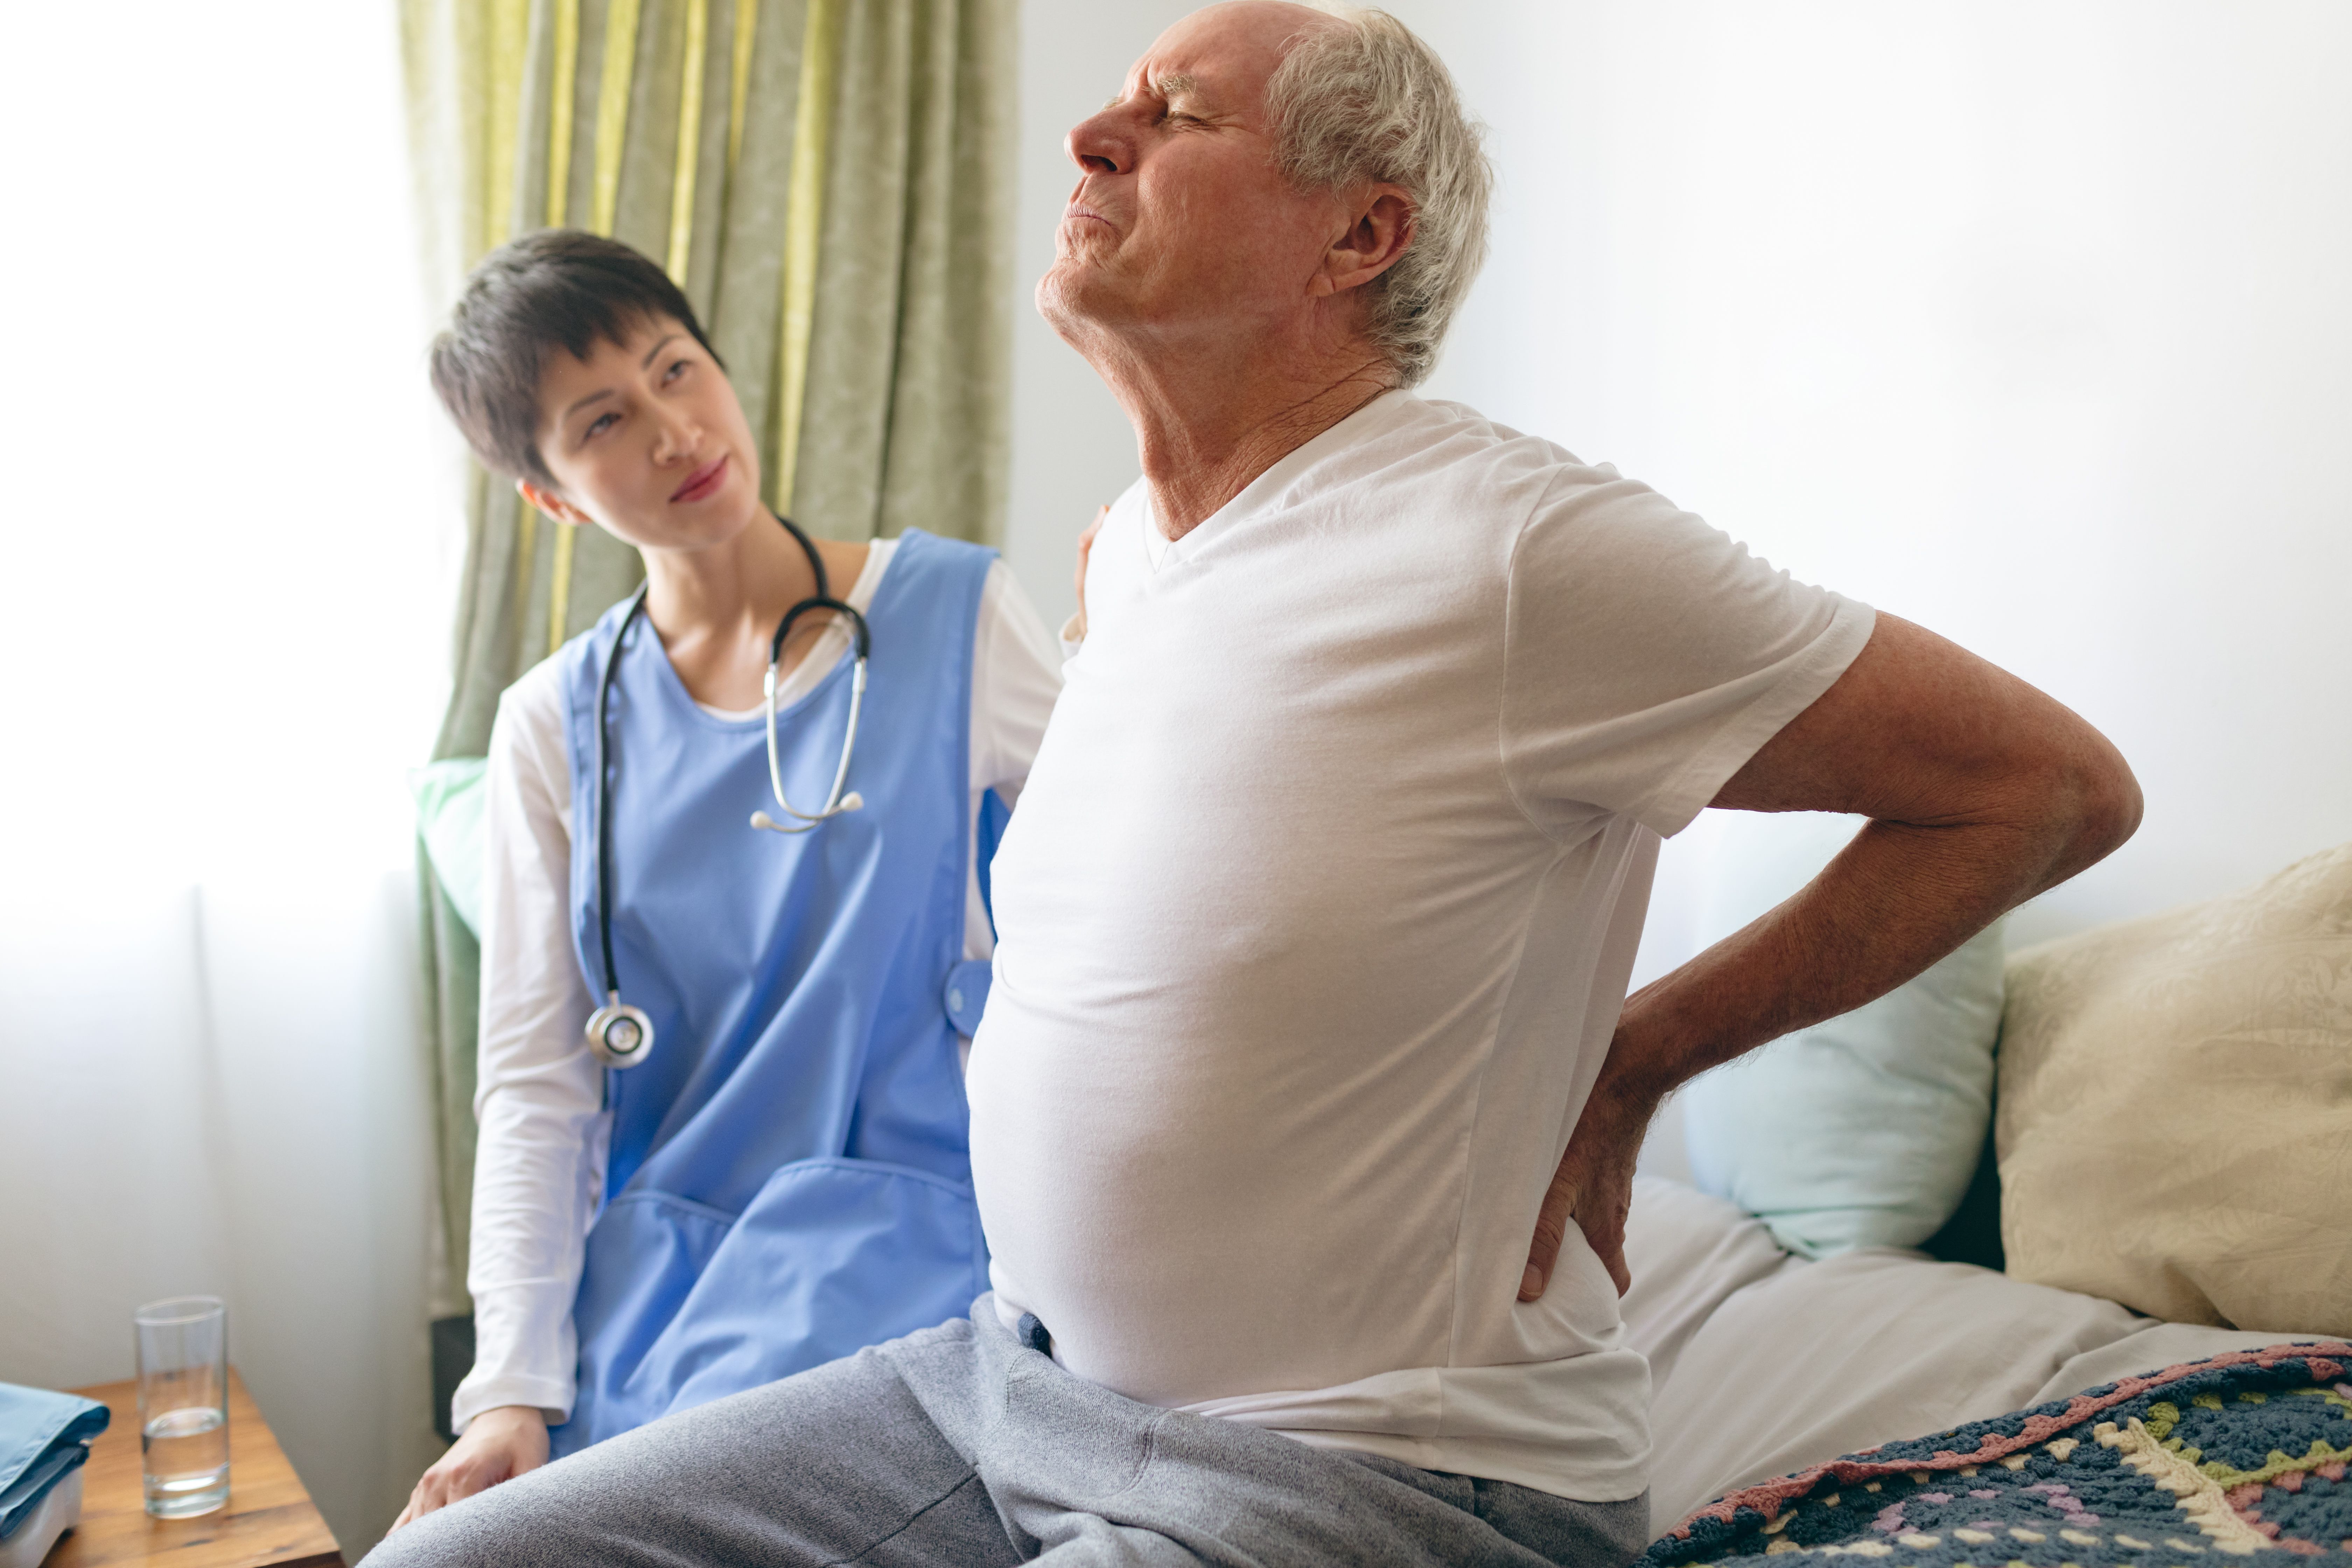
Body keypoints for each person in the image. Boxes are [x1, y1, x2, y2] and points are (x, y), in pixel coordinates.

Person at [367, 5, 2140, 1564]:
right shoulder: (1128, 556)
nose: (1090, 133)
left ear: (1359, 233)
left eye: (1176, 113)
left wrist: (1640, 1055)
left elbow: (2048, 789)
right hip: (1008, 1384)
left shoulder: (1515, 546)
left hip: (1366, 1471)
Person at [390, 231, 1063, 1527]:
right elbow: (538, 1086)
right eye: (604, 420)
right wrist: (508, 1391)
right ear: (552, 497)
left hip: (912, 1259)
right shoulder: (553, 728)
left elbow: (1132, 893)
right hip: (658, 1289)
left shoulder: (956, 614)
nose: (674, 432)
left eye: (676, 369)